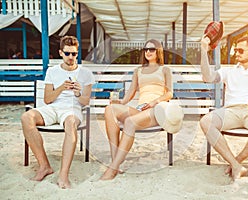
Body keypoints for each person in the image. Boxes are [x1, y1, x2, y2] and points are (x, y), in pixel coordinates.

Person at [199, 35, 248, 181]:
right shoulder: (228, 71)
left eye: (240, 50)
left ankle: (236, 161)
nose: (236, 53)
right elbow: (207, 78)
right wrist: (204, 51)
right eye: (235, 50)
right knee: (205, 122)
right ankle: (236, 165)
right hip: (231, 110)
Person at [21, 35, 95, 189]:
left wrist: (77, 94)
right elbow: (47, 99)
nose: (70, 57)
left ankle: (63, 176)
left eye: (74, 54)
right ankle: (44, 166)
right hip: (53, 108)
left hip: (72, 109)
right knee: (27, 117)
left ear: (77, 53)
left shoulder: (86, 73)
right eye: (67, 53)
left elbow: (86, 102)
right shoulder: (52, 71)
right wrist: (61, 87)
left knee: (71, 123)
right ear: (61, 53)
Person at [101, 39, 173, 180]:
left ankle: (112, 168)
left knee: (129, 122)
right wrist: (120, 102)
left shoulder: (165, 70)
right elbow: (131, 92)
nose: (148, 52)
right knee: (109, 109)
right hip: (141, 110)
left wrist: (155, 101)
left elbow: (170, 93)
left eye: (151, 49)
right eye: (145, 49)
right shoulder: (138, 71)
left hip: (157, 109)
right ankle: (116, 161)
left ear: (158, 51)